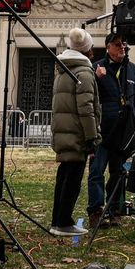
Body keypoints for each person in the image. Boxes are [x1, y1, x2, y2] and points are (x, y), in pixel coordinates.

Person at [87, 31, 135, 230]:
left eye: (124, 45)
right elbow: (89, 96)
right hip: (103, 132)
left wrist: (134, 114)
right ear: (108, 47)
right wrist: (95, 78)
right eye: (118, 44)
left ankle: (115, 211)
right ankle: (96, 211)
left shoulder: (133, 70)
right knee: (96, 171)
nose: (122, 48)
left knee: (118, 173)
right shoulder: (97, 69)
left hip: (124, 132)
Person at [48, 28, 101, 236]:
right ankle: (63, 222)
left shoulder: (63, 69)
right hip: (77, 133)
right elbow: (86, 108)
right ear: (87, 49)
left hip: (64, 131)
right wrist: (92, 136)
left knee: (64, 176)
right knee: (72, 180)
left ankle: (57, 220)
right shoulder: (83, 72)